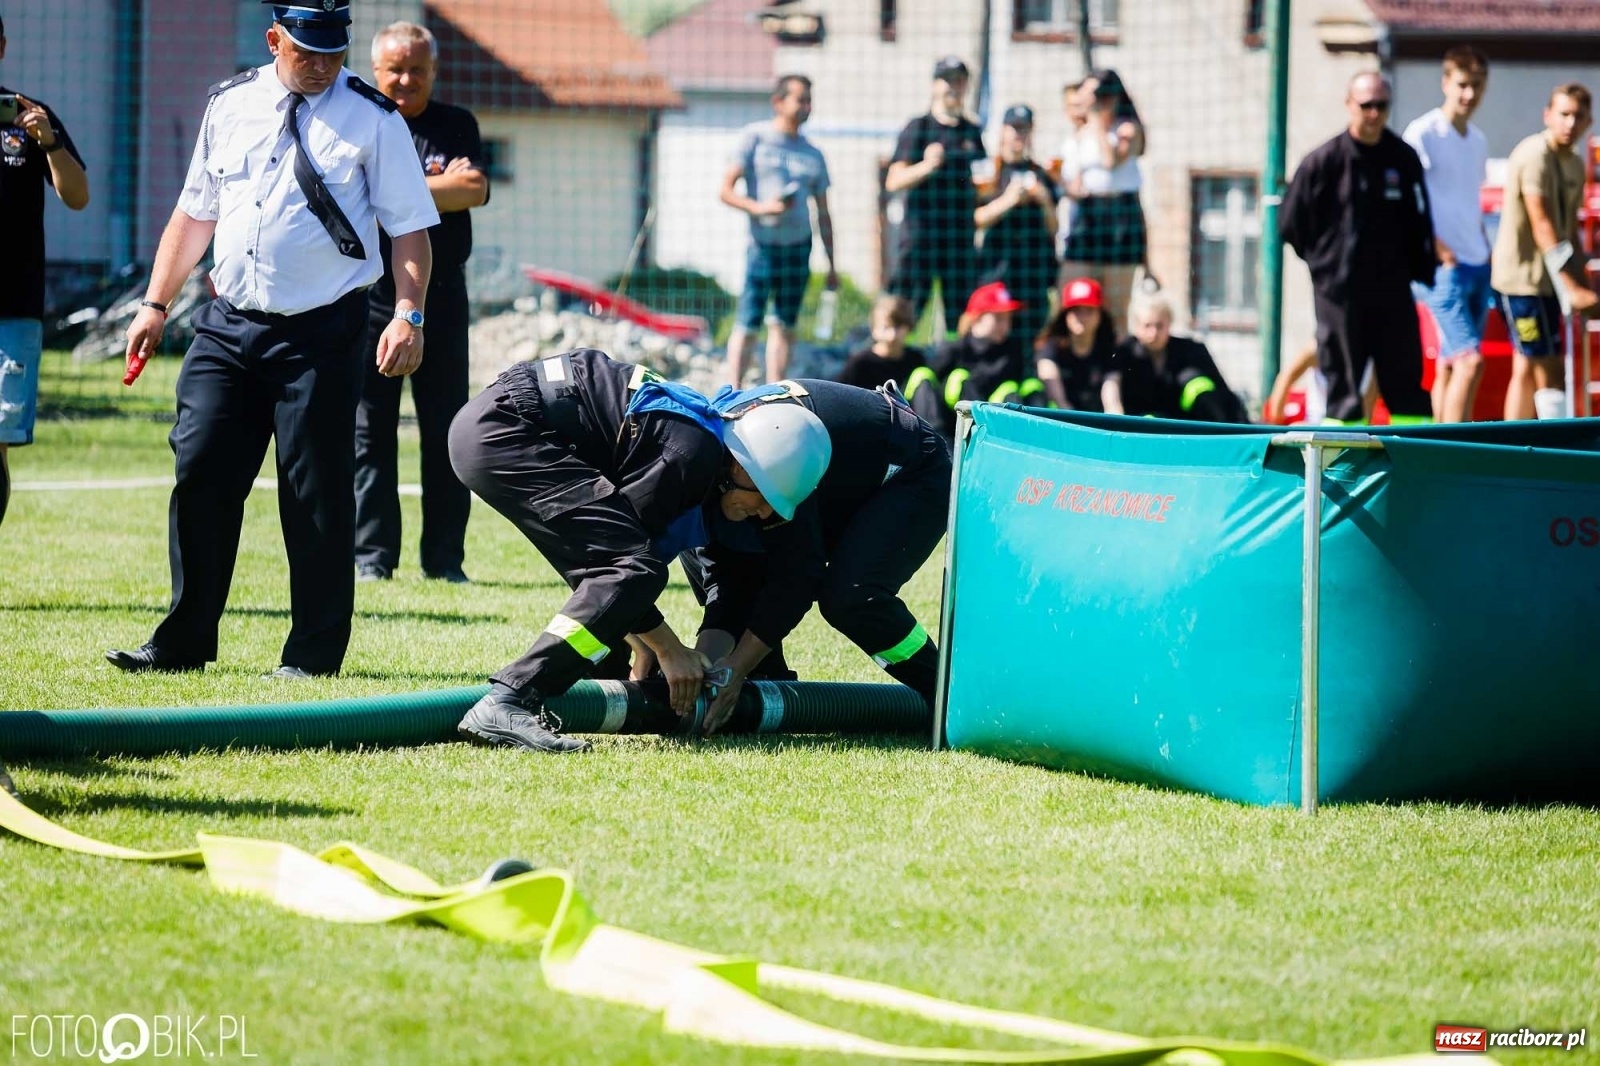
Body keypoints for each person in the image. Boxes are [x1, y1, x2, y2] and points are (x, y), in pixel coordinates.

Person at [108, 0, 439, 679]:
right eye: (306, 51)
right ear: (273, 40)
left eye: (333, 52)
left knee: (314, 491)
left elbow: (408, 228)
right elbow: (194, 213)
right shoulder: (228, 104)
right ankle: (182, 642)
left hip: (322, 329)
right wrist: (154, 303)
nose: (321, 65)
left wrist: (409, 312)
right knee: (199, 471)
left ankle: (312, 656)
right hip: (227, 326)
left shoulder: (374, 119)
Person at [447, 347, 832, 754]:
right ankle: (508, 699)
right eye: (766, 495)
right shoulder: (690, 455)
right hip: (508, 431)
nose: (765, 512)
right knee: (633, 571)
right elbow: (622, 565)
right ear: (739, 467)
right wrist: (670, 650)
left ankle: (579, 690)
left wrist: (644, 641)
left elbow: (617, 560)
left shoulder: (698, 441)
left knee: (628, 579)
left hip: (502, 423)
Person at [677, 379, 951, 732]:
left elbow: (797, 578)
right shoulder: (726, 466)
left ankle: (948, 696)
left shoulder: (782, 469)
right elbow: (727, 584)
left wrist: (738, 666)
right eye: (762, 502)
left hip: (913, 470)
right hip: (839, 474)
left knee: (851, 598)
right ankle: (766, 684)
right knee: (700, 553)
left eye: (769, 504)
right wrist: (711, 667)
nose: (764, 513)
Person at [354, 22, 489, 584]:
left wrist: (388, 187)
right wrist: (436, 187)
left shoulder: (457, 125)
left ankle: (444, 562)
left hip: (443, 300)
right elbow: (352, 193)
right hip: (366, 300)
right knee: (368, 432)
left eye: (417, 69)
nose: (405, 79)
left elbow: (474, 189)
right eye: (395, 69)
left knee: (446, 432)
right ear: (375, 70)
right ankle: (372, 560)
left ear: (434, 72)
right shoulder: (359, 116)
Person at [1281, 71, 1436, 426]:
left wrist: (1419, 267)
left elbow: (1420, 221)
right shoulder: (1323, 162)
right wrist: (1326, 266)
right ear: (1349, 105)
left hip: (1393, 290)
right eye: (1366, 105)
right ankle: (1344, 470)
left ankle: (1413, 462)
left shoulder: (1403, 159)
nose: (1374, 114)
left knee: (1405, 381)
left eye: (1382, 106)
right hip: (1340, 294)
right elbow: (1291, 224)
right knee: (1344, 387)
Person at [0, 13, 90, 532]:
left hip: (13, 309)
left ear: (3, 45)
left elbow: (78, 198)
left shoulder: (30, 117)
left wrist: (50, 143)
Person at [720, 74, 837, 387]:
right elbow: (725, 190)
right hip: (762, 245)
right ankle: (731, 390)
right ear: (778, 102)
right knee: (747, 321)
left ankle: (774, 390)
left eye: (808, 100)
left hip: (798, 247)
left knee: (784, 324)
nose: (805, 106)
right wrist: (760, 208)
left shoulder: (813, 153)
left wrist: (832, 264)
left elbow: (824, 213)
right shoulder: (755, 138)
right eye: (800, 99)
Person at [1490, 83, 1596, 421]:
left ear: (1588, 121)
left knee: (1526, 363)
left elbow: (1570, 233)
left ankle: (1511, 449)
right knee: (1546, 366)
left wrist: (1585, 287)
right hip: (1522, 284)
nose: (1570, 123)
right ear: (1547, 114)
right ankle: (1556, 447)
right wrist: (1574, 288)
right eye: (1563, 114)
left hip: (1550, 283)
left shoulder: (1575, 164)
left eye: (1578, 116)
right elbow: (1543, 224)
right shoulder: (1534, 153)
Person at [1403, 47, 1492, 424]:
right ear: (1446, 83)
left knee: (1450, 365)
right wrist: (1437, 249)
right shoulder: (1423, 133)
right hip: (1442, 268)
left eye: (1476, 86)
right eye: (1462, 85)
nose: (1469, 94)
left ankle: (1438, 440)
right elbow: (1407, 200)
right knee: (1470, 360)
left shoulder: (1478, 140)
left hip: (1478, 262)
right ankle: (1455, 449)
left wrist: (1484, 248)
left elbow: (1468, 199)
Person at [885, 56, 986, 334]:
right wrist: (927, 166)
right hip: (921, 239)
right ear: (934, 85)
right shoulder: (918, 128)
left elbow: (982, 179)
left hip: (958, 241)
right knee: (906, 312)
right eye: (948, 80)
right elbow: (894, 181)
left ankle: (955, 371)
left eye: (959, 81)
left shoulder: (971, 131)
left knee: (962, 316)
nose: (954, 87)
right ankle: (895, 369)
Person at [1058, 70, 1147, 324]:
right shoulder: (1081, 132)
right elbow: (1073, 175)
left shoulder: (1127, 128)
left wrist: (1097, 120)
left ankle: (1116, 361)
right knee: (1073, 294)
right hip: (1087, 216)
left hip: (1120, 217)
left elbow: (1111, 161)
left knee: (1115, 308)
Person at [905, 280, 1045, 436]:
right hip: (950, 428)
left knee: (1016, 387)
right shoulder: (954, 349)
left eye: (1008, 318)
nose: (1006, 325)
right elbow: (924, 388)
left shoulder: (1013, 353)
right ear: (976, 318)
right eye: (998, 318)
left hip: (993, 429)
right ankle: (933, 443)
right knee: (947, 377)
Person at [975, 105, 1060, 348]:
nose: (1018, 135)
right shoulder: (989, 172)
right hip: (997, 272)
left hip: (1033, 274)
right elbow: (975, 220)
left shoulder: (1041, 174)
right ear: (1003, 131)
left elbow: (1054, 228)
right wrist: (1008, 200)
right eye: (1014, 129)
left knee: (1031, 338)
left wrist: (1043, 200)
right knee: (993, 335)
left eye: (1024, 129)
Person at [1103, 289, 1247, 422]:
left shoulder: (1192, 350)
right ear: (1136, 327)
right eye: (1147, 326)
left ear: (1169, 323)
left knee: (1195, 380)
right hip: (1139, 427)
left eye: (1159, 326)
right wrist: (1116, 420)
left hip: (1187, 426)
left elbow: (1222, 392)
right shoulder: (1124, 351)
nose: (1153, 333)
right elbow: (1111, 386)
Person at [1036, 276, 1115, 411]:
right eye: (1076, 311)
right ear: (1065, 315)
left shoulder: (1109, 350)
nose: (1082, 317)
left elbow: (1113, 401)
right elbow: (1060, 402)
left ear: (1100, 315)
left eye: (1089, 311)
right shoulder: (1050, 348)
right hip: (1060, 423)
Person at [1263, 340, 1377, 425]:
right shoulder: (1319, 347)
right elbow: (1286, 377)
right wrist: (1277, 423)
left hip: (1352, 425)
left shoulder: (1368, 354)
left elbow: (1370, 396)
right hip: (1316, 425)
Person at [835, 294, 925, 392]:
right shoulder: (860, 363)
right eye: (886, 327)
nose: (892, 335)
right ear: (874, 329)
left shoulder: (916, 360)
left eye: (898, 327)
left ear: (909, 327)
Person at [1054, 79, 1090, 263]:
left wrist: (1061, 185)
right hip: (1071, 227)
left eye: (1081, 105)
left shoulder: (1094, 141)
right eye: (1072, 106)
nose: (1078, 112)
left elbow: (1081, 190)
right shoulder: (1068, 144)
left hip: (1092, 227)